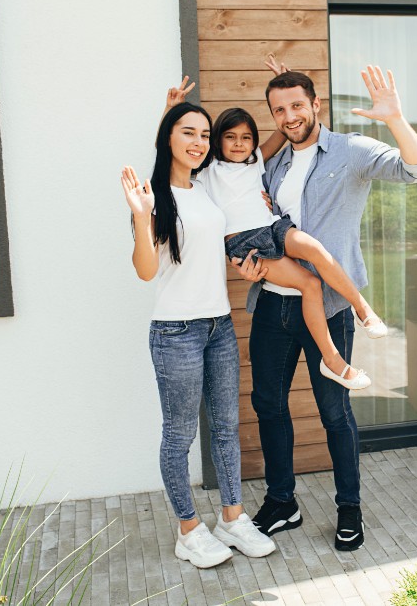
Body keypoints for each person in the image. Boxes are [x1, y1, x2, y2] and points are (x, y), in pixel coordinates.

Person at [231, 64, 417, 552]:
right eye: (279, 109)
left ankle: (350, 509)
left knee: (334, 411)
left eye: (298, 105)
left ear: (316, 104)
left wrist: (395, 119)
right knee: (268, 406)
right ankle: (283, 503)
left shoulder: (352, 150)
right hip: (273, 306)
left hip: (331, 307)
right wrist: (248, 264)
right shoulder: (272, 163)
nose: (289, 116)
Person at [120, 102, 276, 569]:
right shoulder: (153, 198)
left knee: (227, 429)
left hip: (219, 325)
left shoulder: (207, 189)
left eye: (205, 135)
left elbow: (221, 244)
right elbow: (145, 271)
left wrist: (247, 269)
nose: (199, 142)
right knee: (180, 434)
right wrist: (142, 218)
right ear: (168, 137)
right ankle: (188, 530)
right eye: (188, 133)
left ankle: (232, 517)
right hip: (176, 332)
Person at [205, 105, 387, 391]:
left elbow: (284, 129)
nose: (239, 143)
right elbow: (171, 151)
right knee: (310, 284)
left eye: (246, 137)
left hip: (272, 227)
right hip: (246, 243)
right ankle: (333, 362)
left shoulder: (255, 162)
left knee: (314, 248)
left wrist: (287, 87)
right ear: (217, 140)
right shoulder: (208, 171)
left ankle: (362, 308)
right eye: (230, 137)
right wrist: (170, 110)